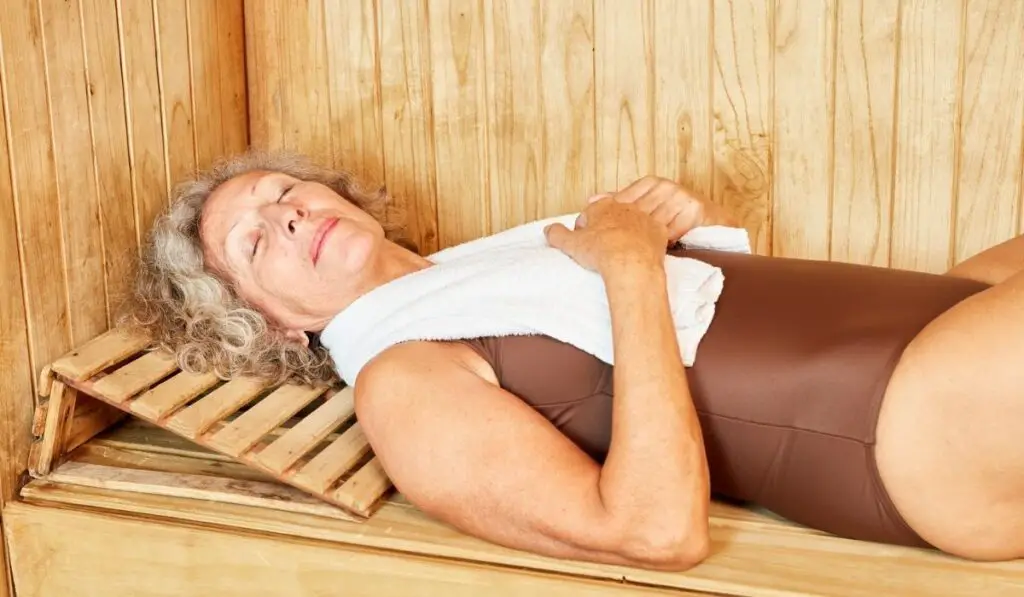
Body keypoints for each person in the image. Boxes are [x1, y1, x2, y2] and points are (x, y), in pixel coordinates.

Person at [125, 149, 1024, 572]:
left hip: (919, 325)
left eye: (285, 192)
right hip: (903, 421)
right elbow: (652, 530)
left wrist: (673, 237)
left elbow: (701, 328)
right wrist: (632, 262)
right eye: (255, 242)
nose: (285, 214)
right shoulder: (400, 380)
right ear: (275, 324)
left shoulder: (466, 270)